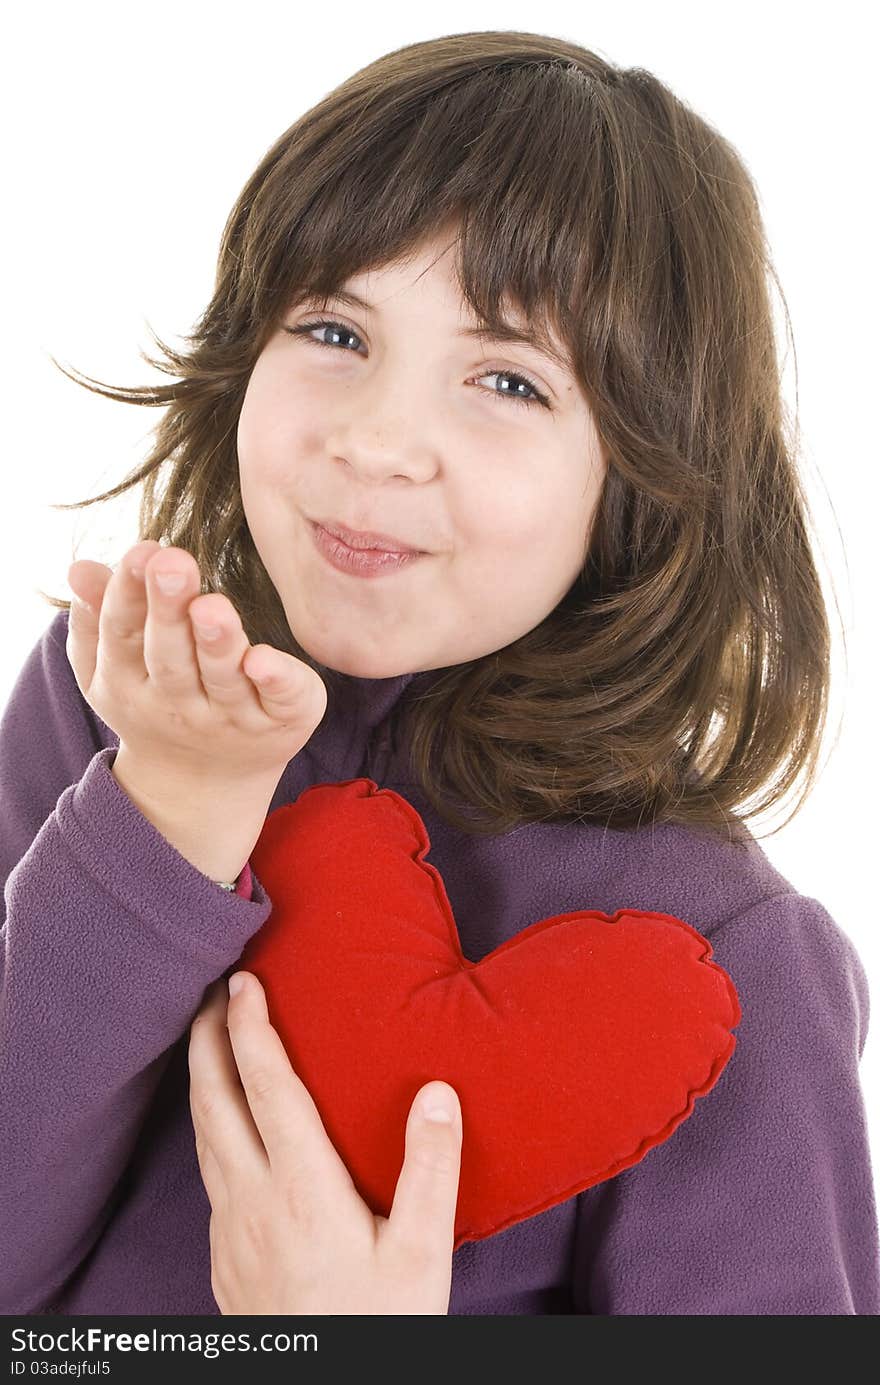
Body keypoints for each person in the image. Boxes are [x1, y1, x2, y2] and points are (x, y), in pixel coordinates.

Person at [1, 29, 877, 1316]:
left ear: (635, 479)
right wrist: (166, 815)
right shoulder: (114, 706)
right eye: (333, 330)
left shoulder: (715, 952)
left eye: (508, 379)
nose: (378, 440)